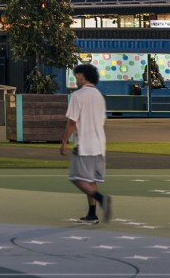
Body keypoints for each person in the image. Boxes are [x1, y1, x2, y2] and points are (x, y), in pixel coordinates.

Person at [61, 62, 111, 224]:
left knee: (76, 178)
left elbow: (72, 121)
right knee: (90, 180)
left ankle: (101, 199)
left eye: (78, 77)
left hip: (84, 144)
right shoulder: (99, 96)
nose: (76, 80)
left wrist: (64, 141)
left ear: (84, 77)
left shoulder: (78, 96)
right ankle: (92, 214)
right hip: (99, 144)